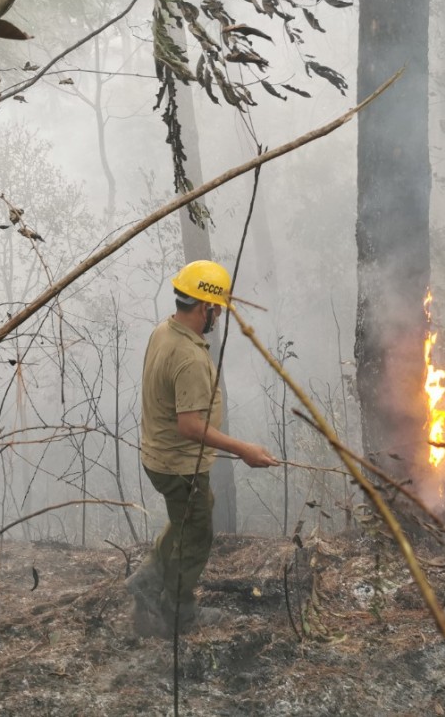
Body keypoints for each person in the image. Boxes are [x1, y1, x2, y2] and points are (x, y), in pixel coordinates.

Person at [126, 260, 279, 637]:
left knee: (191, 516)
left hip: (159, 455)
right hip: (179, 463)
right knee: (196, 535)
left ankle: (146, 580)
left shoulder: (166, 330)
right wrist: (244, 449)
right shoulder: (190, 357)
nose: (218, 318)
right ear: (205, 307)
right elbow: (190, 425)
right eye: (218, 310)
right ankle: (179, 612)